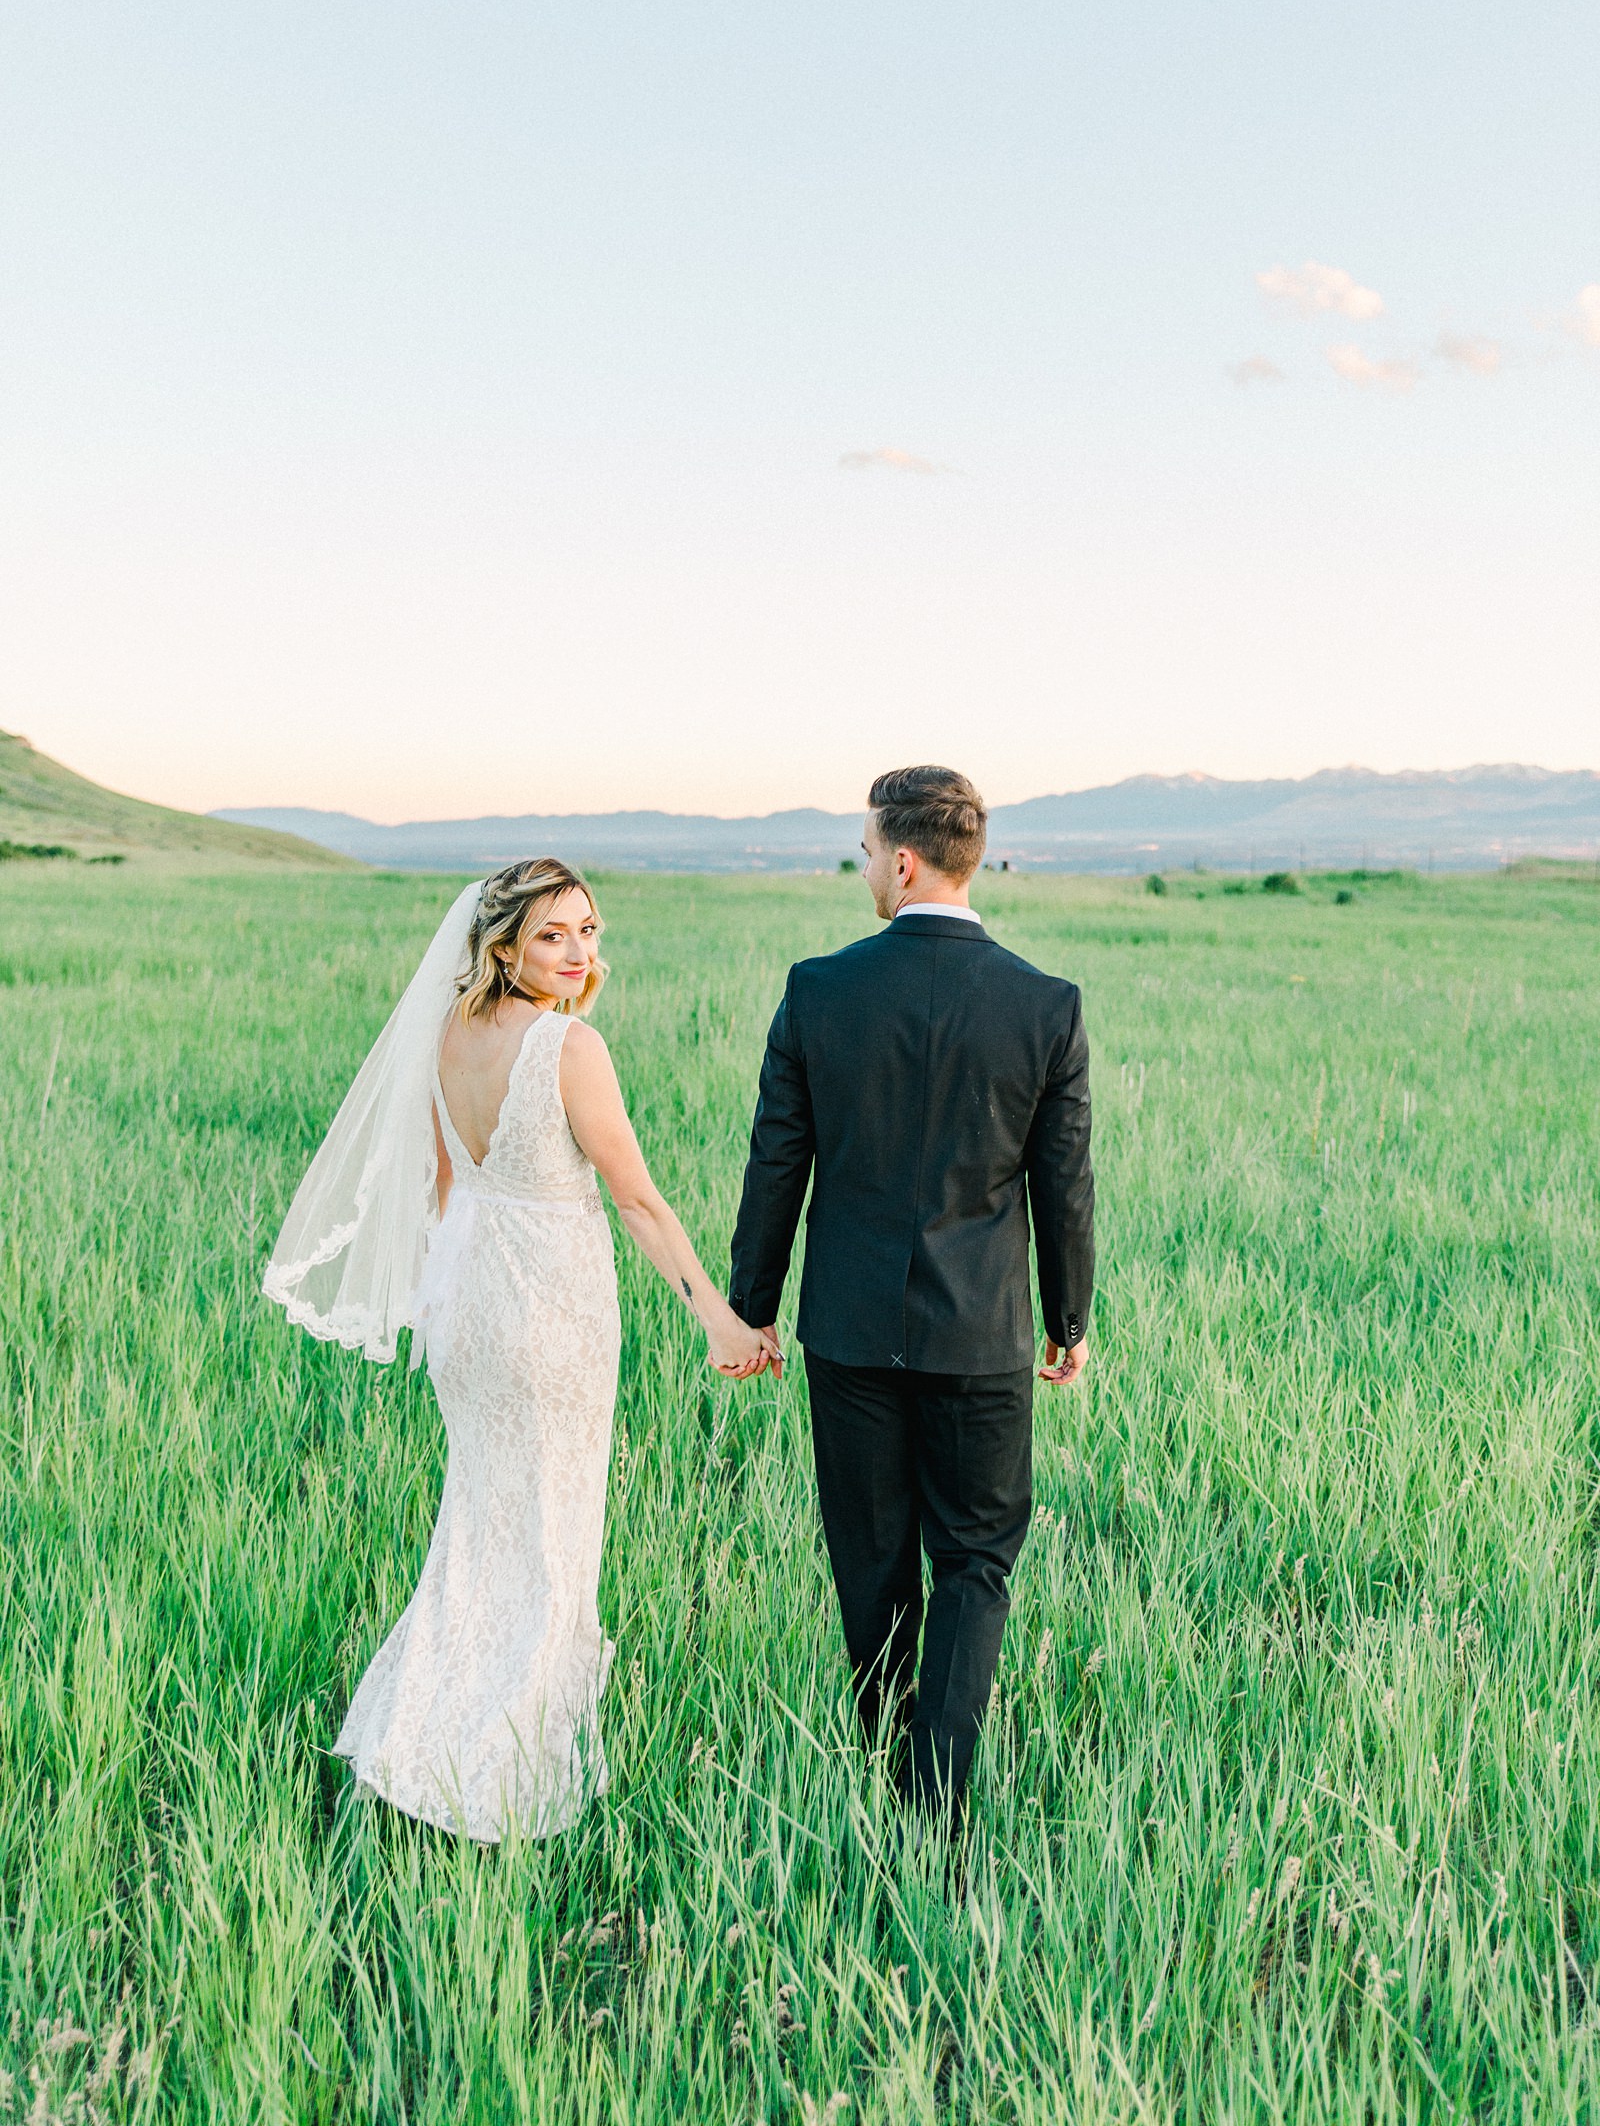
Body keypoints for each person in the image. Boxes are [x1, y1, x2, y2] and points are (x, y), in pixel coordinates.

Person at [265, 860, 777, 1841]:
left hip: (467, 1303)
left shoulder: (446, 1030)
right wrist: (716, 1316)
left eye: (588, 929)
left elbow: (443, 1181)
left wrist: (452, 1294)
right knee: (550, 1541)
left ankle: (411, 1745)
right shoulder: (570, 1049)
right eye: (554, 936)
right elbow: (636, 1201)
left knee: (477, 1531)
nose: (581, 951)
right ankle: (501, 1785)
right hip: (552, 1312)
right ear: (503, 947)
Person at [729, 766, 1094, 1819]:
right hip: (982, 1338)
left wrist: (755, 1306)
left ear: (900, 857)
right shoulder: (1045, 1006)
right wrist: (1068, 1320)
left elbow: (775, 1165)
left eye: (861, 852)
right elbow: (1062, 1185)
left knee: (873, 1565)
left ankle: (886, 1776)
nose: (862, 870)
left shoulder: (818, 991)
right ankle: (938, 1800)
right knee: (975, 1563)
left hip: (846, 1334)